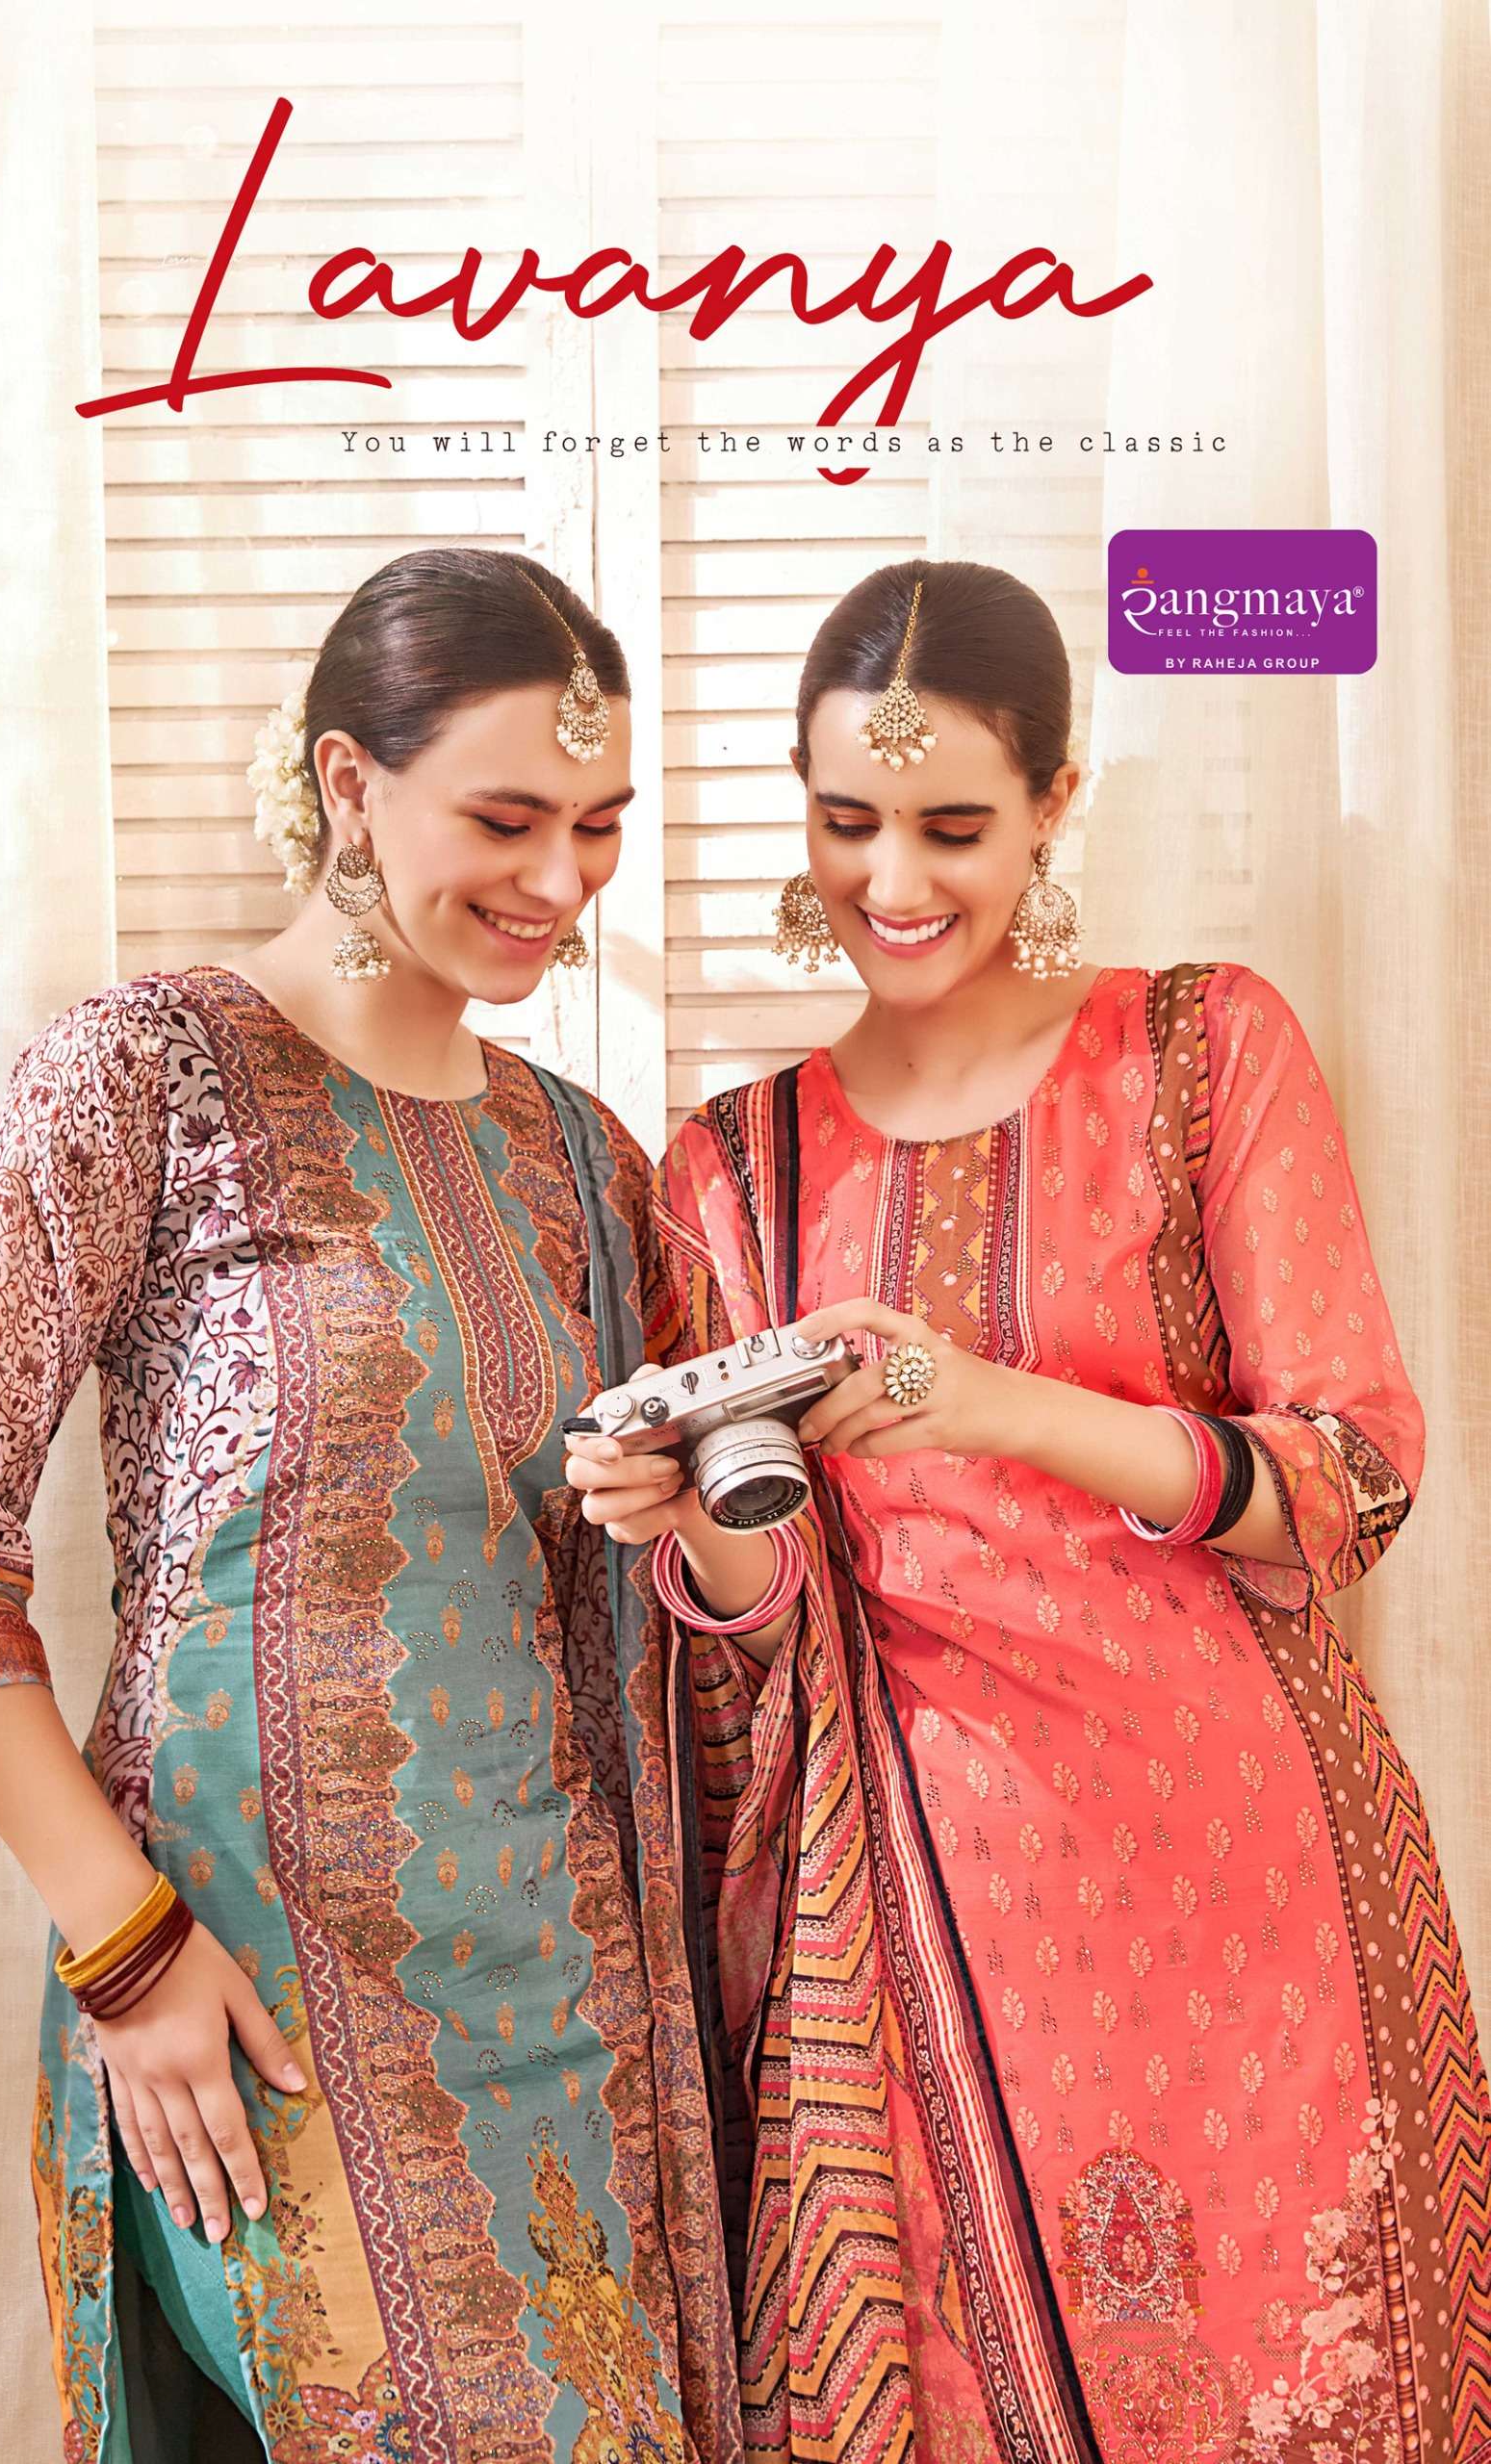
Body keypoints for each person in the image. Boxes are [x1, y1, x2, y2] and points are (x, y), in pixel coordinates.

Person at [566, 559, 1491, 2464]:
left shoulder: (1200, 1051)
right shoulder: (734, 1163)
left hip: (1241, 1878)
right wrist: (676, 1514)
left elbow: (1351, 1476)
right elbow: (761, 1619)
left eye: (952, 826)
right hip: (915, 1927)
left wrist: (986, 1405)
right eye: (847, 821)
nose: (892, 878)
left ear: (1054, 802)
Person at [0, 549, 740, 2464]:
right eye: (504, 818)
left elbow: (698, 1598)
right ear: (349, 781)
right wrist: (126, 1950)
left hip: (564, 2004)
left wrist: (695, 1500)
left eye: (597, 824)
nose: (560, 878)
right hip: (240, 1987)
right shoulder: (139, 1077)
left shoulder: (581, 1157)